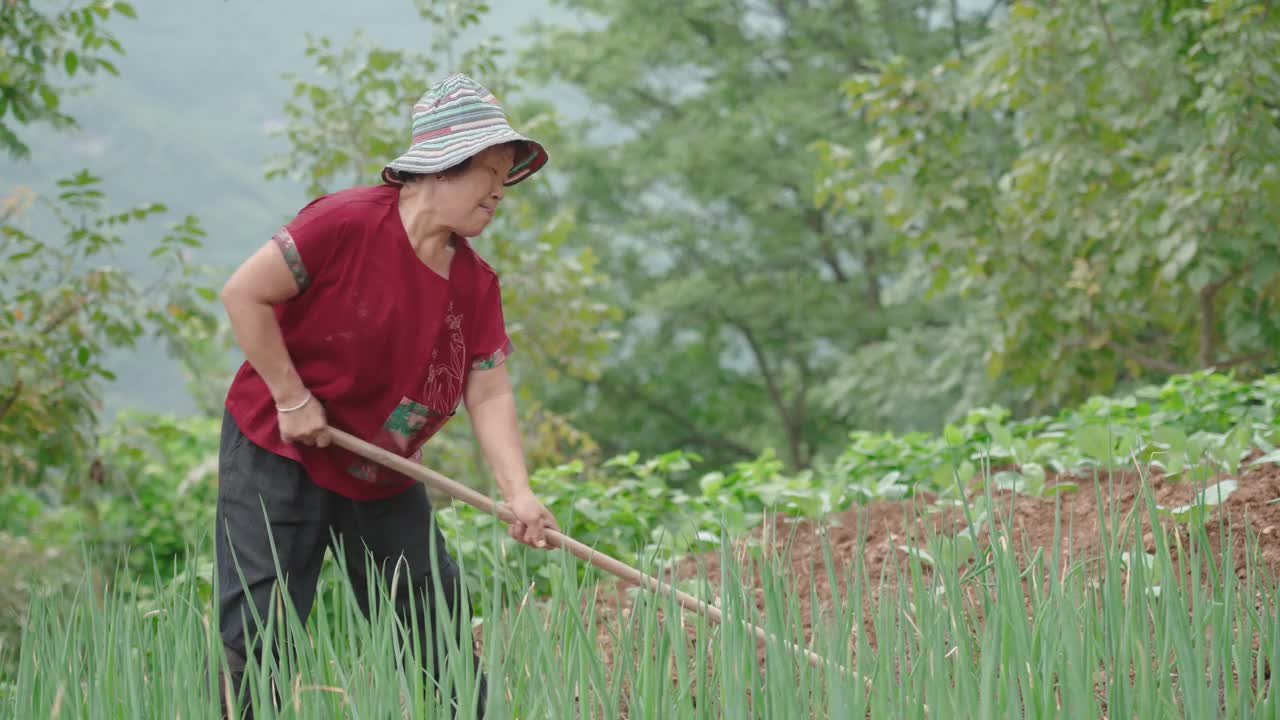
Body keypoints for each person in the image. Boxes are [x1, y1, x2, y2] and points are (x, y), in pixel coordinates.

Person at [214, 72, 559, 718]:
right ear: (437, 168)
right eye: (487, 169)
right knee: (261, 630)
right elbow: (244, 294)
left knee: (436, 625)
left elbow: (488, 390)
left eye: (505, 174)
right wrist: (291, 397)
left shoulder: (475, 285)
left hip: (381, 465)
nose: (498, 190)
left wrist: (518, 493)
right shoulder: (345, 224)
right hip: (277, 449)